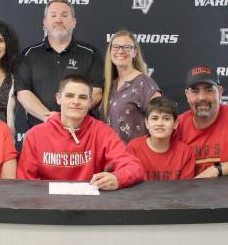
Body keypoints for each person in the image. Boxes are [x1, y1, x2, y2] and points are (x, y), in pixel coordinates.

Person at [17, 75, 145, 190]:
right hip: (48, 207)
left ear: (90, 103)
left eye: (82, 97)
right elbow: (26, 181)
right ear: (58, 98)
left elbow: (134, 167)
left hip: (90, 208)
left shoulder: (102, 132)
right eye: (69, 96)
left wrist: (118, 178)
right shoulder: (35, 135)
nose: (76, 102)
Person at [16, 0, 104, 128]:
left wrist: (71, 117)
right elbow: (23, 93)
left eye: (64, 15)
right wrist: (49, 118)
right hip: (41, 132)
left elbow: (96, 92)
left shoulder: (90, 53)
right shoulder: (29, 54)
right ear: (45, 22)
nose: (58, 20)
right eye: (53, 15)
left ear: (74, 22)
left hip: (81, 132)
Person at [102, 30, 161, 143]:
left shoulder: (145, 84)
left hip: (136, 157)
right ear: (110, 52)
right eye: (115, 47)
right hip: (112, 156)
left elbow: (160, 122)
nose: (120, 51)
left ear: (135, 52)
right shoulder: (110, 84)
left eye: (126, 47)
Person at [127, 96, 195, 180]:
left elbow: (187, 189)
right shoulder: (133, 148)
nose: (160, 123)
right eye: (154, 118)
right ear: (147, 123)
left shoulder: (185, 153)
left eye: (166, 119)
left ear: (175, 124)